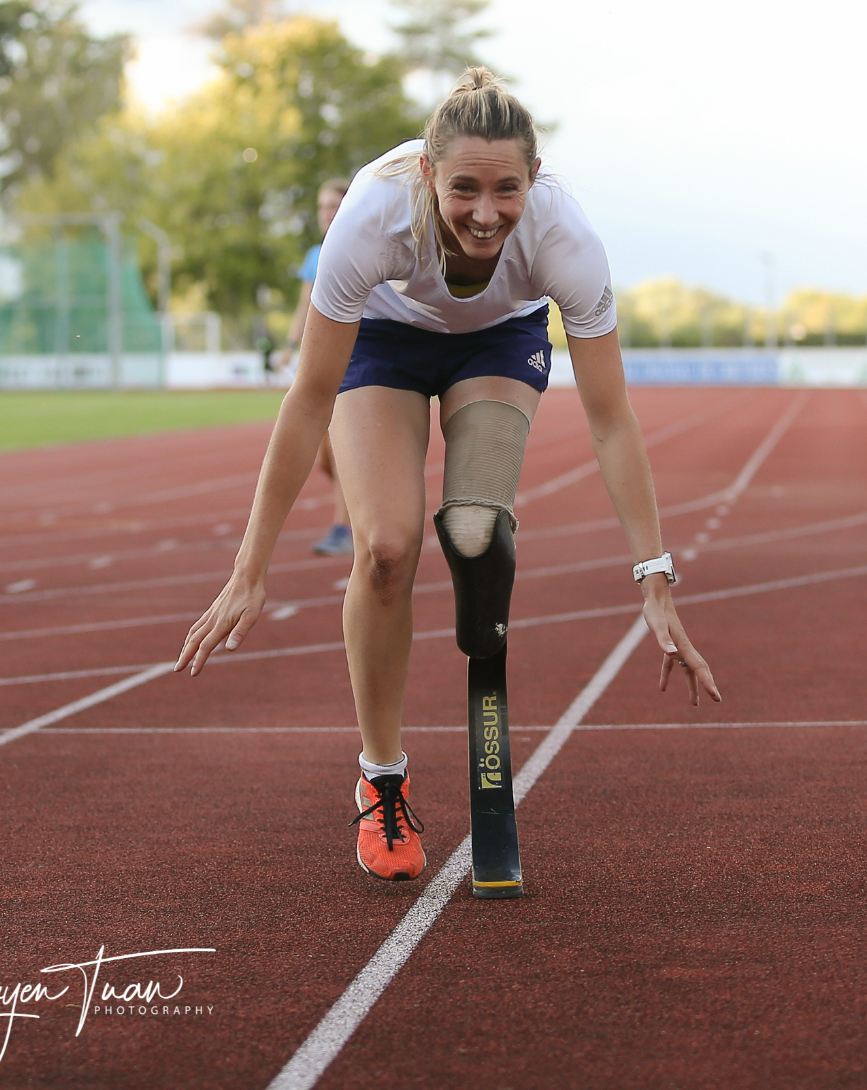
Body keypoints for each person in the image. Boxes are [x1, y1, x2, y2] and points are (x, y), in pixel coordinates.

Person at [176, 68, 721, 887]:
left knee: (473, 529)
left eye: (506, 190)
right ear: (428, 174)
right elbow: (308, 400)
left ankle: (482, 604)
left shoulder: (564, 238)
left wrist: (655, 579)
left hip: (498, 343)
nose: (485, 212)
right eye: (464, 188)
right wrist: (250, 569)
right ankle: (381, 779)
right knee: (386, 550)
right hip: (381, 344)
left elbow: (610, 418)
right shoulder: (372, 216)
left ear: (534, 180)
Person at [282, 178, 354, 556]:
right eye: (322, 206)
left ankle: (344, 528)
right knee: (326, 457)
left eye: (333, 205)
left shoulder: (362, 246)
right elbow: (305, 304)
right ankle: (361, 511)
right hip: (321, 360)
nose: (327, 213)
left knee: (342, 453)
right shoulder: (315, 254)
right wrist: (290, 345)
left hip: (355, 359)